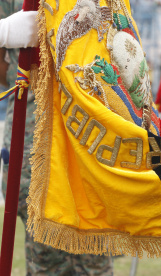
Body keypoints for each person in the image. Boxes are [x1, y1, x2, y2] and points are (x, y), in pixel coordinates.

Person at [0, 7, 114, 275]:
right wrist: (4, 33)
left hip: (88, 125)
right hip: (33, 130)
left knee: (92, 237)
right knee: (44, 248)